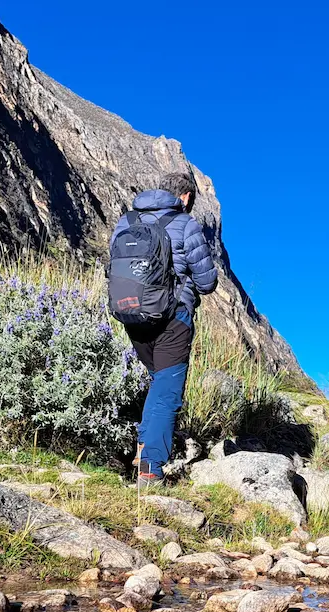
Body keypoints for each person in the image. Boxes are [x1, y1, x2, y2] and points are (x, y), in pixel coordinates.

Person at [112, 170, 217, 481]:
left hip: (131, 315)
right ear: (184, 197)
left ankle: (144, 449)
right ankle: (150, 470)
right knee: (168, 392)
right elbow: (207, 281)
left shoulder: (126, 221)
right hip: (172, 316)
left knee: (159, 384)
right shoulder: (185, 223)